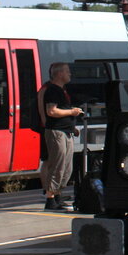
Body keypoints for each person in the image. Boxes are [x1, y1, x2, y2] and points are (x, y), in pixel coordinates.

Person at [42, 62, 83, 211]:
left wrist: (73, 128)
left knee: (67, 167)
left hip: (66, 131)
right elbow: (51, 111)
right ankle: (50, 200)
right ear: (59, 74)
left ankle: (58, 196)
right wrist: (72, 112)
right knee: (57, 166)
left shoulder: (62, 90)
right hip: (57, 132)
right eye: (67, 72)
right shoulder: (52, 90)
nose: (70, 74)